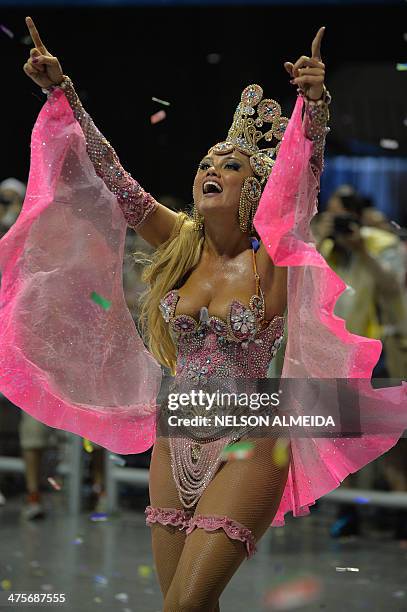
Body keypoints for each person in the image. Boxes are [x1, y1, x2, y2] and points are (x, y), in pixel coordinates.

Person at [0, 16, 406, 611]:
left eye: (230, 164)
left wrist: (314, 106)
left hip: (253, 430)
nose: (211, 168)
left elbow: (301, 186)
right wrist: (62, 93)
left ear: (256, 186)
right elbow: (113, 176)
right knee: (188, 604)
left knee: (182, 606)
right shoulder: (180, 243)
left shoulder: (273, 259)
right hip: (178, 425)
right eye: (205, 163)